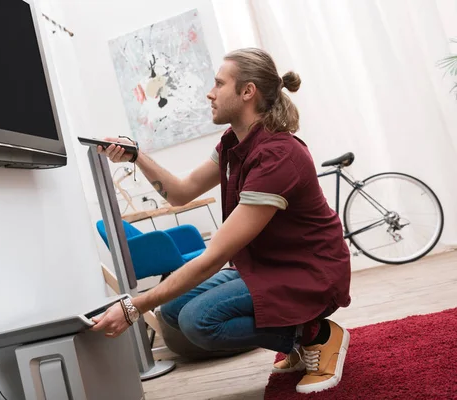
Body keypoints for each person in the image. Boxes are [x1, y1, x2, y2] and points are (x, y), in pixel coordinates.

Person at [91, 48, 351, 394]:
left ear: (247, 92)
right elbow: (182, 193)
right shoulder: (232, 142)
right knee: (170, 312)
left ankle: (316, 334)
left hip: (307, 271)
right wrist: (138, 156)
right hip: (267, 265)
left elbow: (213, 257)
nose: (210, 93)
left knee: (198, 322)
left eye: (218, 83)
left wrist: (133, 306)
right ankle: (297, 338)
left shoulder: (277, 155)